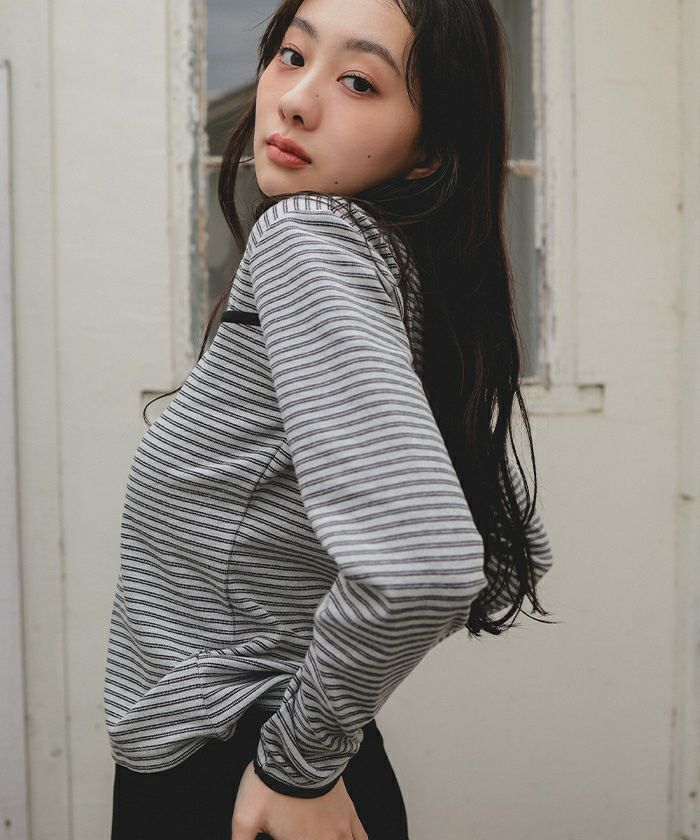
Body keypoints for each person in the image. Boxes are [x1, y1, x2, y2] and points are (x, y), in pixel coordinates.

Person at [104, 0, 556, 838]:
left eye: (358, 81)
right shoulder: (394, 265)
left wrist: (296, 763)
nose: (297, 99)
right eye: (290, 55)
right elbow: (505, 547)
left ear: (430, 150)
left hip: (236, 780)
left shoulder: (306, 236)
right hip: (270, 762)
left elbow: (428, 564)